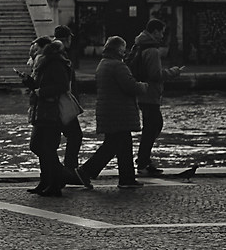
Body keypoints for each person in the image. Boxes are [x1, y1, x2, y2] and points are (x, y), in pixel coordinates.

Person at [79, 37, 142, 187]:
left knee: (122, 145)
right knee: (113, 145)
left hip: (109, 111)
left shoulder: (103, 64)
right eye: (123, 48)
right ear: (119, 50)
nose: (125, 51)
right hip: (119, 112)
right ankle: (85, 172)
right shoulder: (117, 66)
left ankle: (127, 178)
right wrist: (143, 87)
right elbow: (130, 86)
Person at [26, 35, 72, 196]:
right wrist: (31, 84)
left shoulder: (55, 64)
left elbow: (62, 86)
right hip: (43, 109)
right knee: (39, 146)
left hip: (51, 111)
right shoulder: (47, 64)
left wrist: (41, 91)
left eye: (38, 50)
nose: (34, 52)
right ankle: (48, 181)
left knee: (45, 147)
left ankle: (54, 182)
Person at [130, 17, 169, 178]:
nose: (162, 36)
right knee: (153, 126)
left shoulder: (140, 45)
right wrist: (172, 72)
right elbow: (155, 74)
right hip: (150, 93)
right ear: (155, 31)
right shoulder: (152, 50)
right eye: (161, 32)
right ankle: (143, 161)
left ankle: (144, 159)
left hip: (143, 93)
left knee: (151, 126)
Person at [53, 23, 83, 185]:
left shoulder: (55, 55)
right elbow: (66, 84)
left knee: (62, 137)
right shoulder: (61, 57)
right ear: (66, 39)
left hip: (60, 104)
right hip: (64, 104)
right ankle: (69, 169)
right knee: (75, 135)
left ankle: (65, 170)